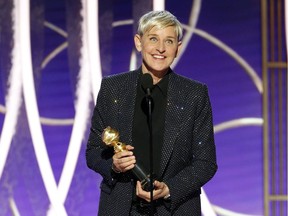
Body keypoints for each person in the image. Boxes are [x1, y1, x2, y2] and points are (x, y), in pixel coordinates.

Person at [86, 10, 217, 216]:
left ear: (178, 48)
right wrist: (114, 166)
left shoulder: (194, 94)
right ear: (139, 42)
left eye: (169, 41)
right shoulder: (113, 88)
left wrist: (170, 189)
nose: (161, 49)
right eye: (153, 39)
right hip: (122, 208)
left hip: (175, 208)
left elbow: (206, 163)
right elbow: (93, 152)